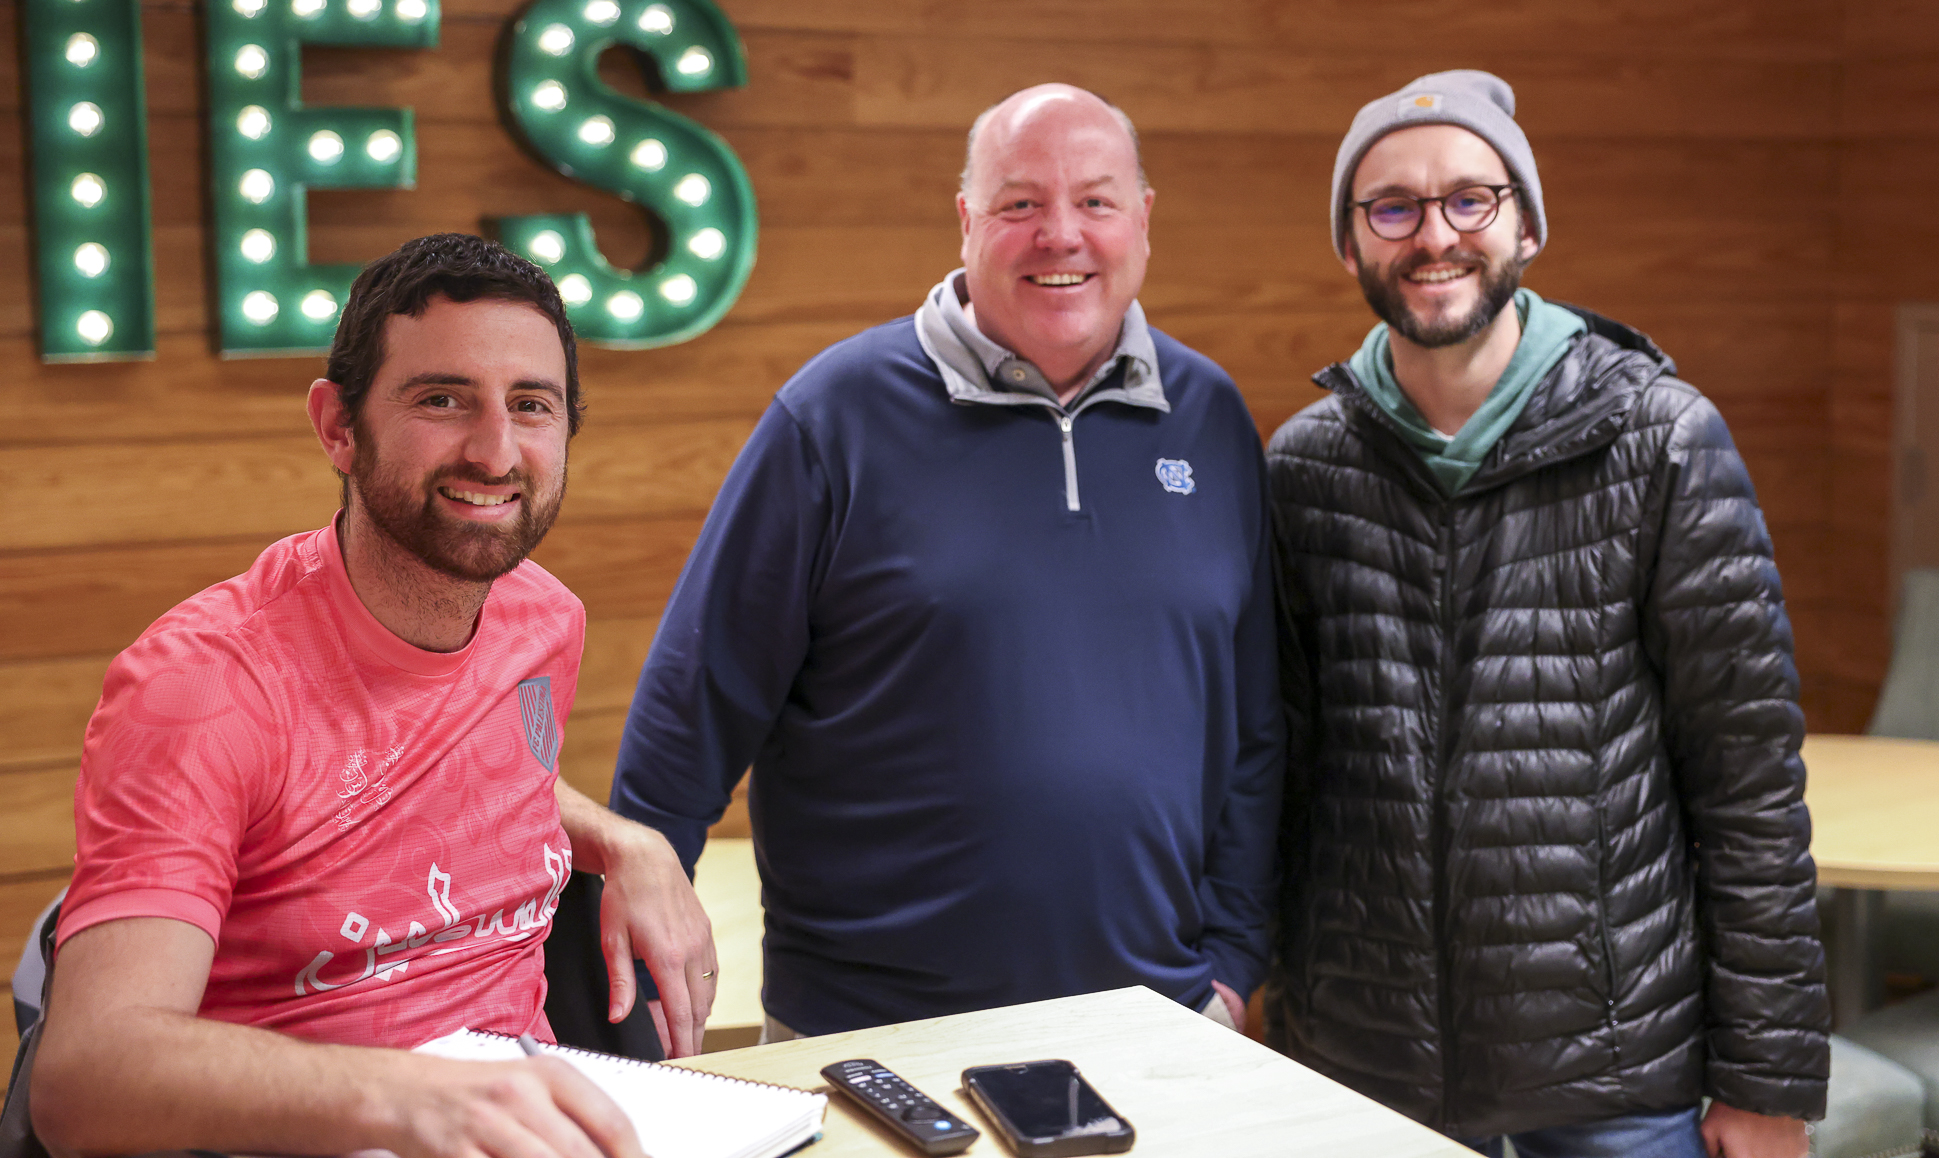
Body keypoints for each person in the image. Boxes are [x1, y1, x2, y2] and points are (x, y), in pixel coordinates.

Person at [612, 84, 1283, 1039]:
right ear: (967, 220)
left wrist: (1233, 962)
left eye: (1095, 201)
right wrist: (639, 972)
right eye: (1021, 203)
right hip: (869, 1034)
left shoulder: (1210, 418)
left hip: (1156, 1026)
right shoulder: (834, 417)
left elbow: (1253, 725)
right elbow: (693, 711)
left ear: (1142, 221)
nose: (1061, 234)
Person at [30, 235, 715, 1158]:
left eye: (531, 405)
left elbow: (465, 769)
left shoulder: (543, 619)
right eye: (442, 399)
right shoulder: (202, 686)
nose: (495, 452)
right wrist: (416, 1098)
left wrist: (621, 838)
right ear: (338, 428)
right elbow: (86, 1080)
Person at [1264, 72, 1828, 1158]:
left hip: (1615, 1074)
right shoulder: (1303, 469)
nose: (1435, 236)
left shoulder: (1661, 441)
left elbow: (1749, 785)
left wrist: (1766, 1080)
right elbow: (1279, 777)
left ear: (1526, 223)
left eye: (1469, 199)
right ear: (1350, 243)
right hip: (1364, 1065)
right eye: (1393, 207)